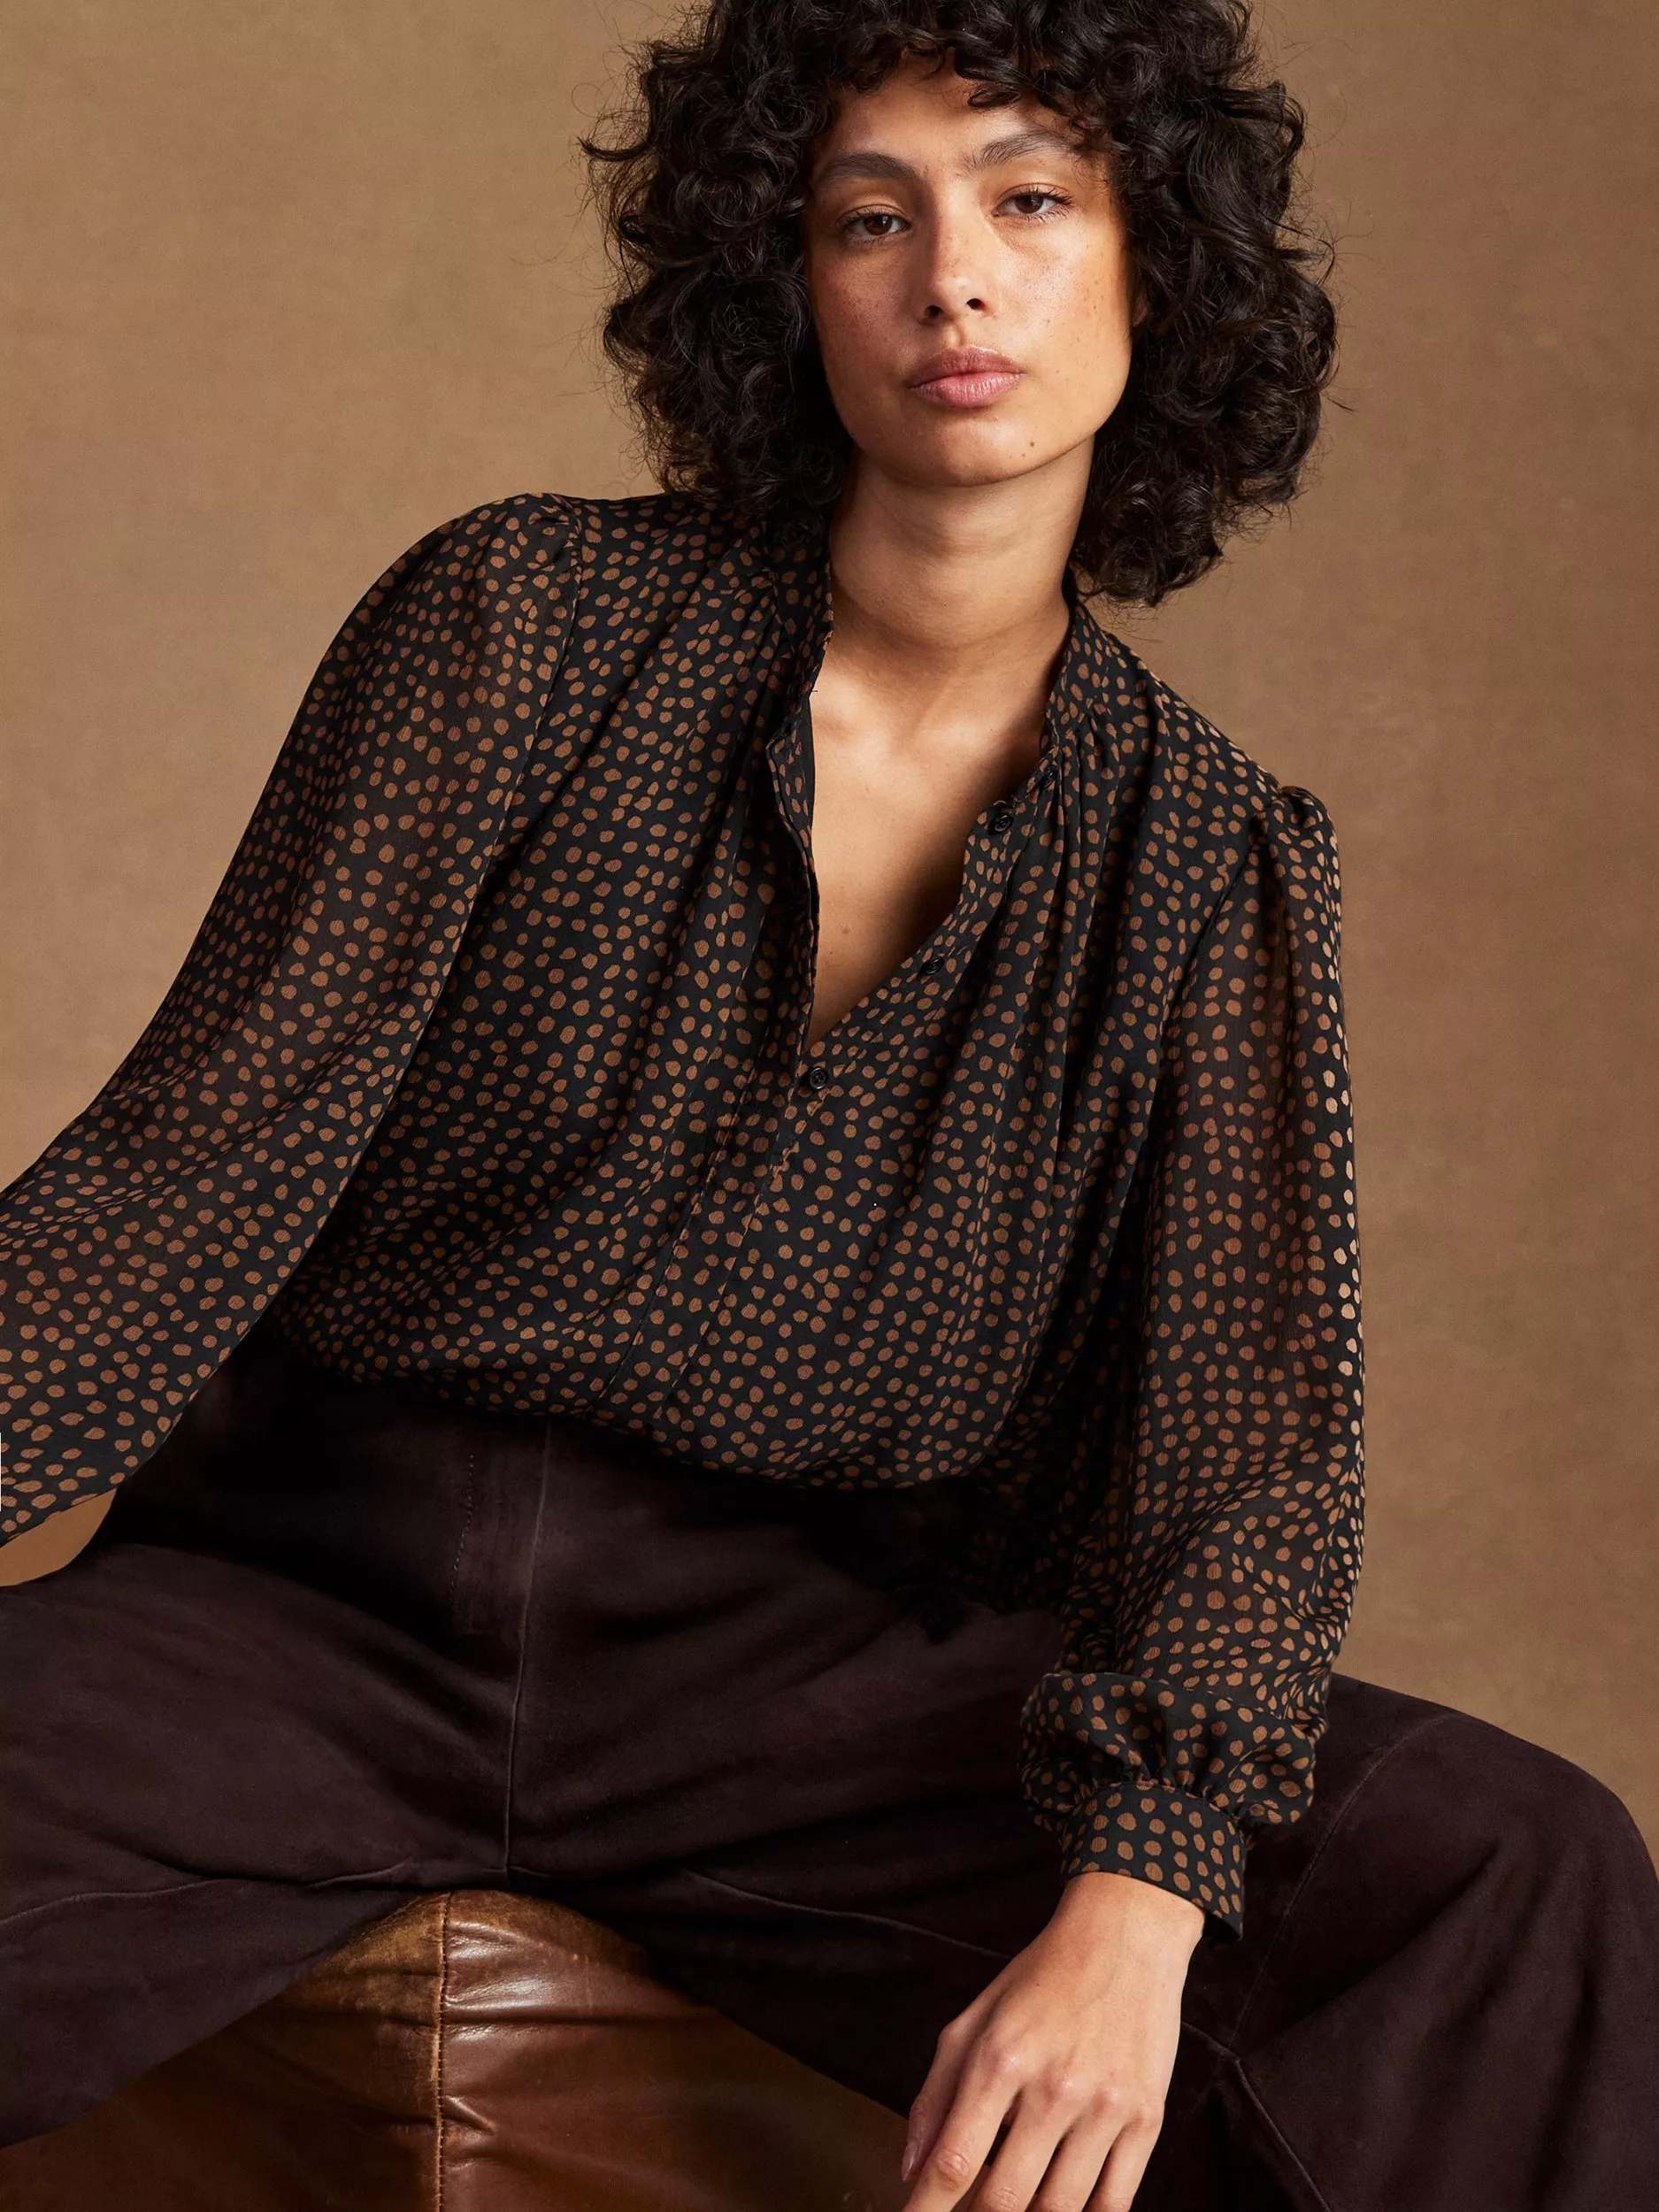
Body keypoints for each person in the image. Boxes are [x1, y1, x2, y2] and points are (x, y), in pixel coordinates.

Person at [2, 4, 1656, 2208]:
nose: (951, 279)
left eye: (1027, 201)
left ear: (1156, 266)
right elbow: (177, 1175)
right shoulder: (523, 622)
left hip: (811, 1690)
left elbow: (1243, 1443)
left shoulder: (1208, 858)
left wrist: (1136, 1896)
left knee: (1514, 1867)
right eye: (869, 218)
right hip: (308, 1611)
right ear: (783, 285)